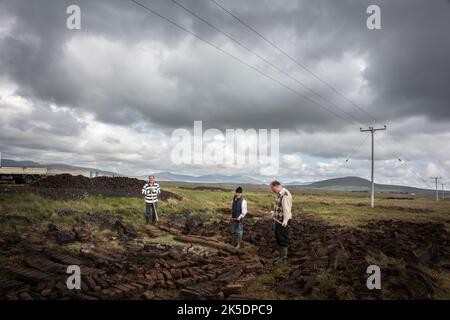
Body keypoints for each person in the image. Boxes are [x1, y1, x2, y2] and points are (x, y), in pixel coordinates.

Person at [270, 180, 293, 264]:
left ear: (277, 186)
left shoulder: (285, 195)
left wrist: (285, 220)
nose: (272, 190)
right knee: (278, 237)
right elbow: (278, 206)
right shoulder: (279, 194)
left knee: (282, 238)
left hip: (283, 221)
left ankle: (284, 258)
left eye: (273, 188)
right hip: (278, 220)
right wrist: (274, 213)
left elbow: (287, 209)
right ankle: (281, 256)